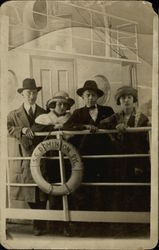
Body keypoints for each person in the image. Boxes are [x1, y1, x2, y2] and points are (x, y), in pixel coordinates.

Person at [63, 80, 114, 221]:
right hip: (85, 156)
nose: (90, 98)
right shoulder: (78, 113)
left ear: (97, 96)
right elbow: (67, 126)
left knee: (106, 187)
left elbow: (114, 124)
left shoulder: (107, 111)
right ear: (83, 97)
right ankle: (86, 222)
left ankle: (105, 222)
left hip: (105, 156)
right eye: (87, 95)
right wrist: (85, 126)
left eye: (93, 95)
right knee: (85, 188)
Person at [99, 85, 150, 211]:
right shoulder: (116, 117)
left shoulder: (142, 118)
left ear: (133, 100)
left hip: (137, 158)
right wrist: (115, 127)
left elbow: (144, 142)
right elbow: (101, 124)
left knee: (137, 188)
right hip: (120, 159)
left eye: (129, 97)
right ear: (119, 101)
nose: (126, 100)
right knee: (121, 188)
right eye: (123, 98)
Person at [7, 78, 47, 236]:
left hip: (41, 156)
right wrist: (21, 130)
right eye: (28, 93)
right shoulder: (14, 114)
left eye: (34, 93)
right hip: (24, 156)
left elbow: (49, 125)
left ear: (37, 94)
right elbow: (7, 127)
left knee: (42, 190)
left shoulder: (44, 113)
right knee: (29, 191)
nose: (31, 96)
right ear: (22, 94)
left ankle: (40, 223)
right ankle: (37, 223)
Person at [33, 91, 75, 236]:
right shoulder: (44, 118)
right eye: (59, 104)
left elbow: (76, 128)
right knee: (51, 190)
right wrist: (54, 128)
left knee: (66, 189)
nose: (62, 107)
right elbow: (35, 129)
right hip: (50, 159)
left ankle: (65, 224)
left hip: (67, 159)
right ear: (53, 105)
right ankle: (51, 225)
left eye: (65, 104)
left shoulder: (70, 118)